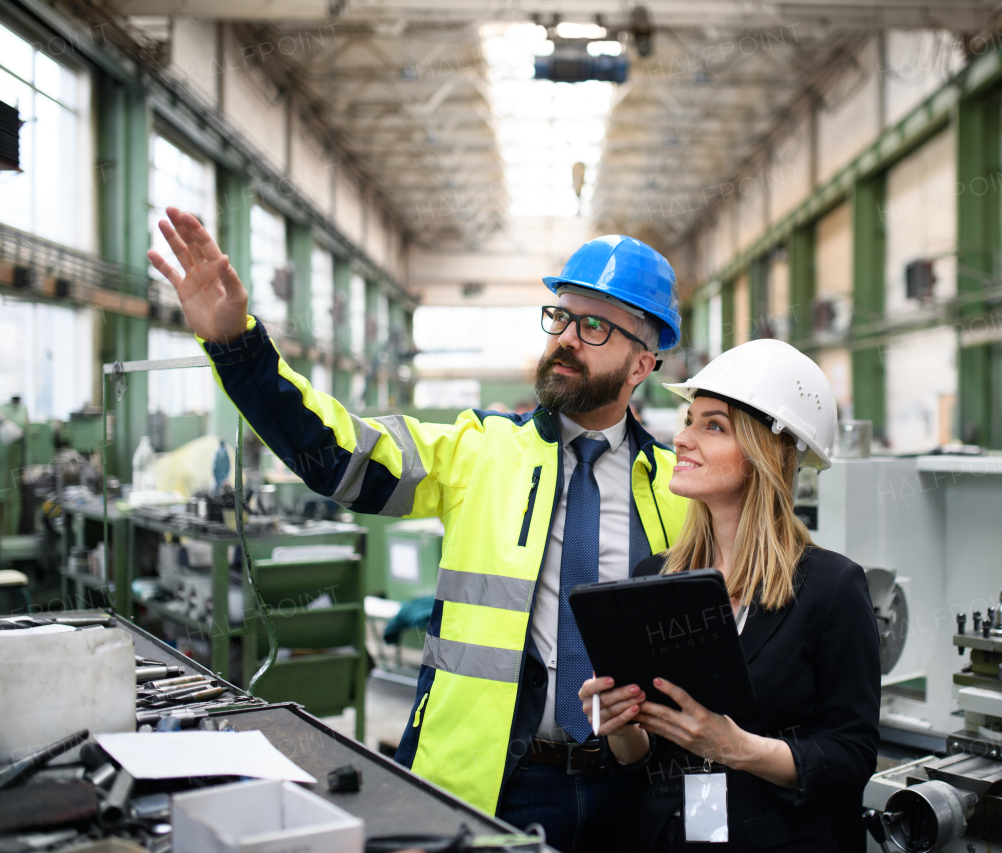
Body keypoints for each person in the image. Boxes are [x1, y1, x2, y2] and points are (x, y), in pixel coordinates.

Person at [146, 209, 689, 851]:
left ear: (642, 363)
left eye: (595, 325)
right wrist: (239, 347)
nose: (565, 337)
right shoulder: (478, 450)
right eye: (560, 316)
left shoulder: (679, 489)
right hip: (491, 784)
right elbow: (338, 454)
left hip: (633, 788)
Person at [578, 339, 881, 852]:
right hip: (662, 837)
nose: (681, 438)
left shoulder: (831, 588)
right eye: (688, 420)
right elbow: (639, 757)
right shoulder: (654, 577)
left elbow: (850, 757)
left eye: (712, 426)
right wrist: (619, 726)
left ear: (766, 453)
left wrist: (738, 748)